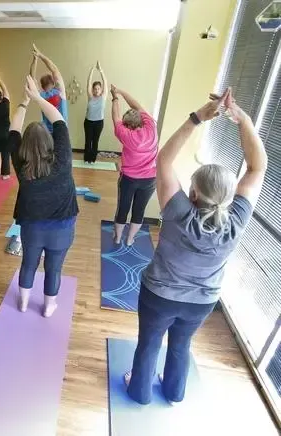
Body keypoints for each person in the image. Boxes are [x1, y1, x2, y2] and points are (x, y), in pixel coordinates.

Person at [125, 88, 267, 405]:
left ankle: (139, 392)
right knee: (181, 345)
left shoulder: (177, 212)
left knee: (148, 343)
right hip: (201, 303)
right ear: (229, 199)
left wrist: (198, 117)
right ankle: (174, 392)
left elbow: (163, 159)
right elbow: (258, 167)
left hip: (159, 296)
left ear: (192, 194)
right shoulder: (237, 219)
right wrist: (242, 119)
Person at [8, 76, 78, 318]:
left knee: (28, 264)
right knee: (54, 269)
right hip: (62, 227)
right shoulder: (63, 158)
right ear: (49, 142)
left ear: (24, 146)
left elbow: (13, 130)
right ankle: (49, 307)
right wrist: (37, 97)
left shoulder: (20, 162)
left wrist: (24, 102)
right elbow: (58, 120)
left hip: (32, 227)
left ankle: (24, 303)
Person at [111, 84, 159, 246]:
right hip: (150, 180)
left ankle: (117, 238)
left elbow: (116, 117)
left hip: (129, 179)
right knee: (139, 211)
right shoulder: (151, 126)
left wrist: (115, 97)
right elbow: (136, 105)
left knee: (123, 209)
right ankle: (130, 239)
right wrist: (121, 91)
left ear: (128, 126)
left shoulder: (126, 135)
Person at [30, 44, 68, 133]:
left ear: (42, 86)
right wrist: (39, 55)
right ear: (53, 83)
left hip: (48, 132)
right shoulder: (59, 92)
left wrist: (35, 59)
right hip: (60, 130)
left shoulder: (41, 95)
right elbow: (54, 69)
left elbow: (32, 79)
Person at [84, 61, 108, 164]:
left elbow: (105, 82)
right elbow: (88, 83)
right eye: (95, 89)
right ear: (92, 90)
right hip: (88, 122)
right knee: (88, 140)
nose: (96, 90)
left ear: (101, 89)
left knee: (95, 141)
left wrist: (101, 70)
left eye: (98, 88)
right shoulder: (90, 97)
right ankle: (86, 159)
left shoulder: (103, 97)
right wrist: (92, 70)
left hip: (99, 123)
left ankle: (93, 159)